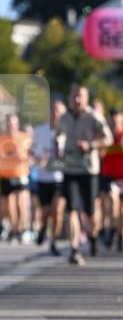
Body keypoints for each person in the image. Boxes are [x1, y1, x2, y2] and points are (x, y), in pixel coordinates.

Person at [57, 84, 112, 264]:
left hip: (89, 169)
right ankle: (74, 248)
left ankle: (94, 235)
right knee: (71, 209)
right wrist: (58, 146)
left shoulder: (94, 116)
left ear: (86, 98)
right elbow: (58, 135)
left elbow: (108, 138)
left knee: (90, 210)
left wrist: (91, 145)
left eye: (80, 96)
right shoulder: (64, 118)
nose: (77, 100)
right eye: (74, 96)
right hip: (70, 169)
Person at [31, 100, 66, 255]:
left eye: (59, 112)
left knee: (57, 211)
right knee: (45, 211)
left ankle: (54, 242)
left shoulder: (67, 132)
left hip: (60, 177)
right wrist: (39, 159)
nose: (56, 114)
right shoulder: (39, 130)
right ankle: (43, 227)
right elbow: (31, 151)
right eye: (53, 111)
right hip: (44, 177)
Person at [0, 114, 32, 244]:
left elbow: (31, 155)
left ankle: (24, 228)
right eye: (9, 123)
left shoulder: (25, 138)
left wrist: (22, 156)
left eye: (13, 123)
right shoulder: (1, 138)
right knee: (9, 206)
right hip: (5, 175)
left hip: (20, 174)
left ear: (17, 124)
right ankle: (15, 230)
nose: (11, 126)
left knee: (21, 203)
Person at [100, 108, 123, 250]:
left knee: (121, 211)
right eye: (113, 119)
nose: (115, 122)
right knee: (113, 205)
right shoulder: (106, 135)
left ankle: (119, 235)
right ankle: (112, 230)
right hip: (110, 176)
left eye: (118, 119)